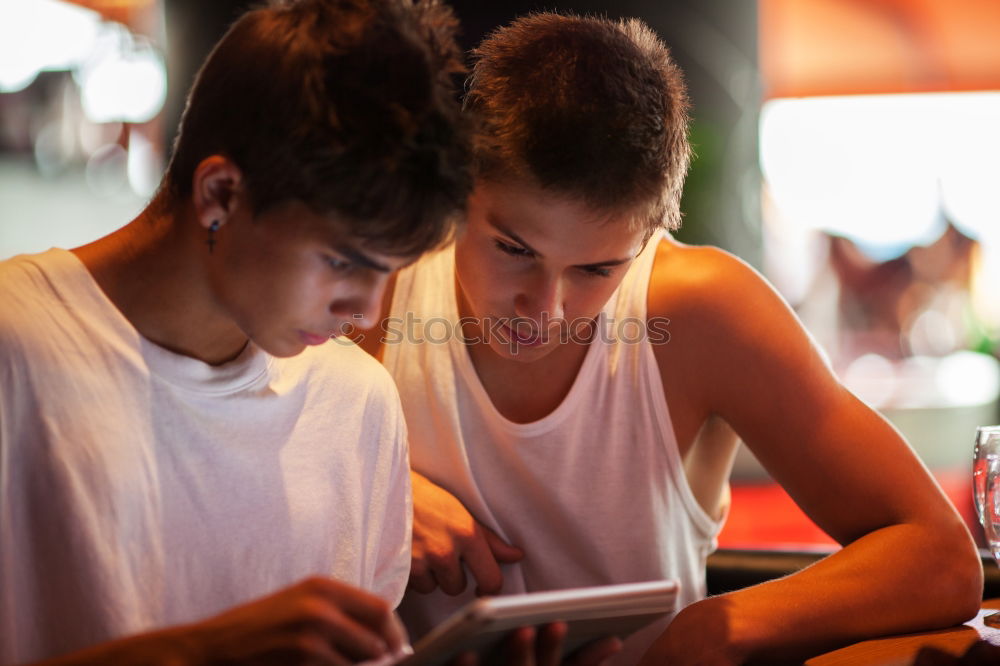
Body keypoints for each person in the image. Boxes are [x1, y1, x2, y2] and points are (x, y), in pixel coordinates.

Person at [356, 12, 984, 664]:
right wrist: (376, 494)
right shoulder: (369, 285)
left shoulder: (701, 310)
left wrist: (721, 625)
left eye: (597, 269)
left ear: (649, 233)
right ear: (460, 188)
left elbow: (941, 555)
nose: (544, 308)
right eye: (514, 249)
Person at [0, 0, 471, 664]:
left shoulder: (357, 401)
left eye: (390, 272)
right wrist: (204, 651)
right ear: (220, 193)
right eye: (342, 261)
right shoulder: (15, 345)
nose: (365, 313)